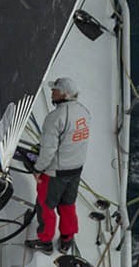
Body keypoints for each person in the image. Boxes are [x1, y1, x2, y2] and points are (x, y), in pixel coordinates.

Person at [27, 76, 91, 254]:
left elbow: (48, 150)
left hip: (56, 172)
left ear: (64, 94)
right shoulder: (84, 112)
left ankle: (45, 241)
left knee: (45, 206)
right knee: (68, 204)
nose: (51, 92)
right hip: (76, 170)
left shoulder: (55, 118)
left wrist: (38, 169)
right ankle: (66, 239)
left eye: (54, 90)